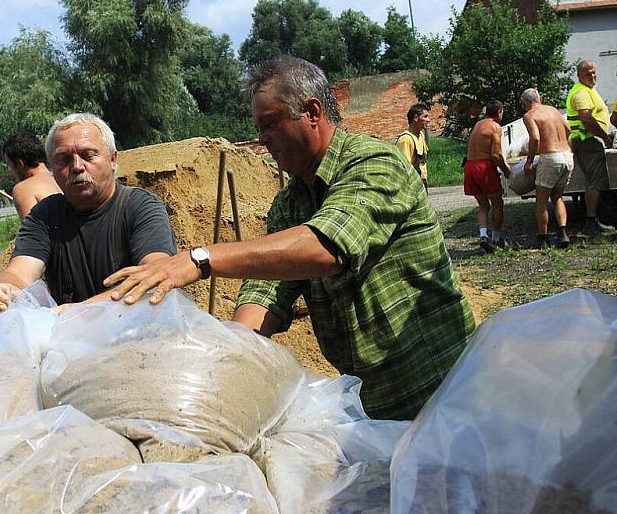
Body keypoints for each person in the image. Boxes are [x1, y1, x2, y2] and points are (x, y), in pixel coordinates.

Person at [103, 55, 475, 421]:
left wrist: (200, 258)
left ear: (312, 112)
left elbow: (327, 245)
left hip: (439, 385)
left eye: (269, 124)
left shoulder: (376, 162)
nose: (262, 140)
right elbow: (268, 291)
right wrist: (229, 355)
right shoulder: (289, 203)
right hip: (369, 401)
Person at [0, 113, 177, 316]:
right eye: (64, 159)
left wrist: (79, 312)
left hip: (135, 338)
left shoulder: (140, 207)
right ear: (52, 168)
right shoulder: (45, 216)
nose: (77, 166)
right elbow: (20, 271)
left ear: (113, 159)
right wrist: (6, 291)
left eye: (89, 155)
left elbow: (155, 274)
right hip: (70, 341)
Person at [566, 60, 614, 239]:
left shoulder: (588, 91)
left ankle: (595, 221)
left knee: (597, 181)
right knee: (594, 182)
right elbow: (586, 119)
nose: (592, 76)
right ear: (579, 75)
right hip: (587, 141)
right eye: (588, 74)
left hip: (589, 141)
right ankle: (590, 222)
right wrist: (604, 136)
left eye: (594, 73)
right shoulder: (581, 93)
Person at [520, 88, 573, 249]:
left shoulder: (529, 115)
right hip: (567, 155)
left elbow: (535, 137)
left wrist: (529, 160)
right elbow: (569, 130)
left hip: (550, 157)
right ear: (539, 98)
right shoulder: (553, 110)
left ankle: (543, 237)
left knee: (541, 201)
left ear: (525, 103)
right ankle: (563, 233)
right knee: (558, 197)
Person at [465, 100, 511, 253]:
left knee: (483, 205)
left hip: (470, 166)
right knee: (497, 203)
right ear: (499, 112)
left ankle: (483, 235)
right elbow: (496, 154)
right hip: (484, 166)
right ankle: (496, 238)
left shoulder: (478, 124)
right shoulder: (495, 127)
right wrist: (505, 170)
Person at [2, 132, 62, 220]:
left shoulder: (23, 188)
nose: (10, 170)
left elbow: (32, 232)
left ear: (19, 163)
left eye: (9, 165)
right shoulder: (61, 178)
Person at [396, 103, 430, 190]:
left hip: (421, 183)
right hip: (411, 186)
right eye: (425, 117)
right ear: (416, 118)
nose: (428, 120)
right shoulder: (406, 139)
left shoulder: (421, 135)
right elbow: (404, 168)